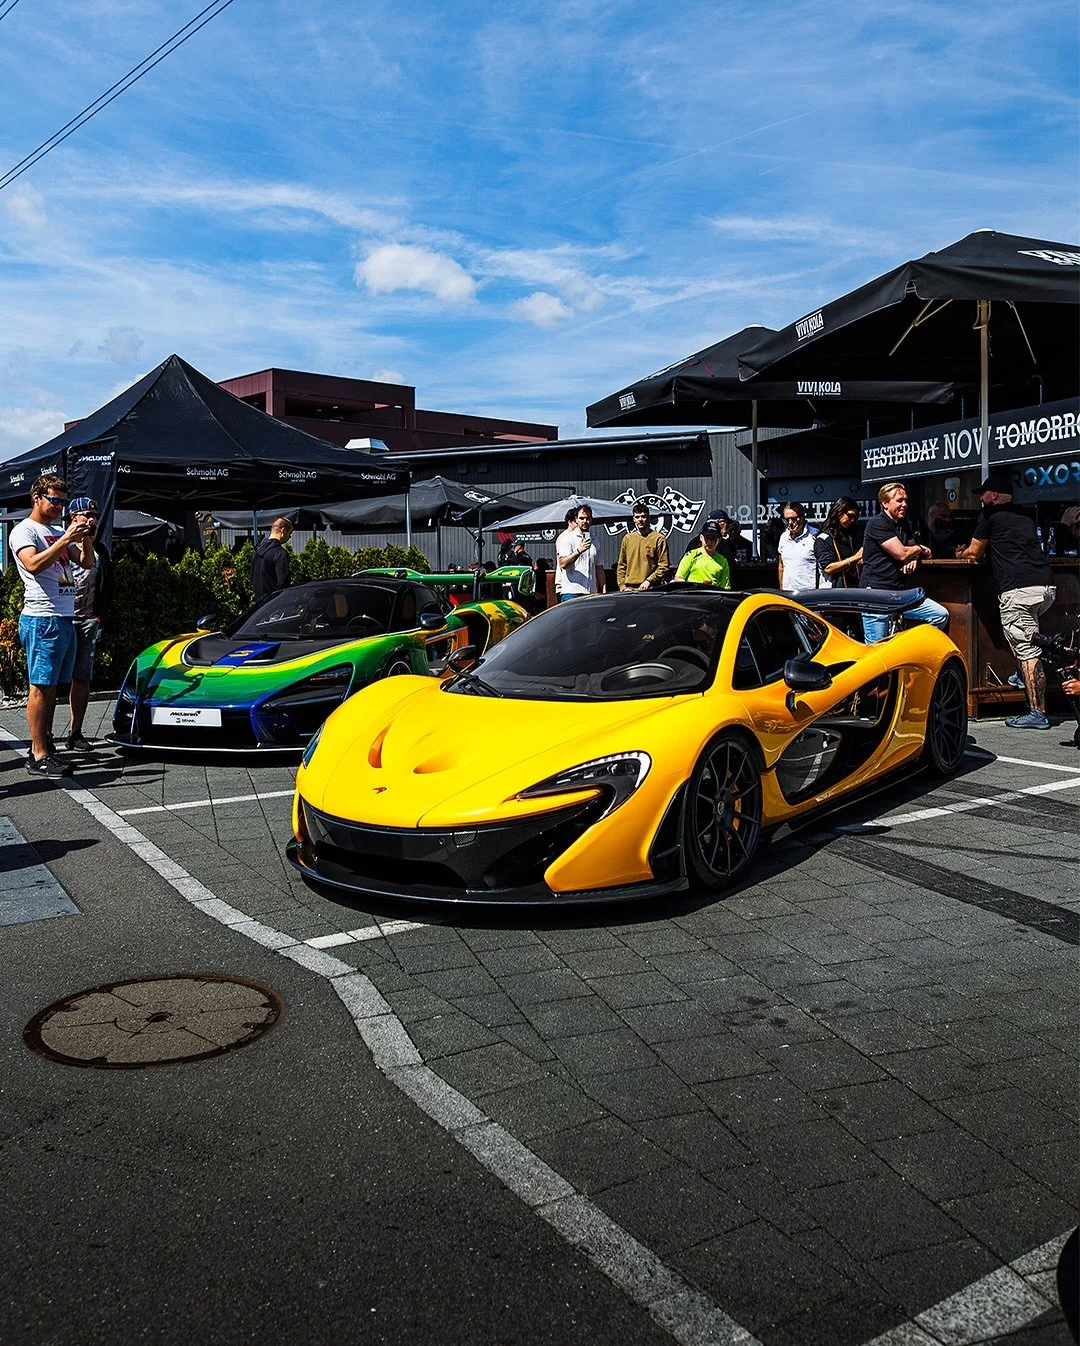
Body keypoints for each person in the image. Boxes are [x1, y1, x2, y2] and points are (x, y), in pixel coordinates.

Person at [956, 472, 1056, 730]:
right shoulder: (1024, 515)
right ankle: (1022, 677)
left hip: (1018, 590)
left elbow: (975, 552)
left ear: (995, 495)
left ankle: (1037, 712)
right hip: (1045, 586)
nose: (981, 498)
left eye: (984, 493)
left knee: (1027, 650)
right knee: (1023, 639)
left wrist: (962, 552)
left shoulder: (989, 515)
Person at [10, 475, 94, 776]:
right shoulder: (25, 531)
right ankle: (38, 754)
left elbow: (85, 563)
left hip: (64, 616)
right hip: (42, 618)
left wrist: (84, 536)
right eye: (54, 500)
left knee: (54, 687)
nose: (60, 506)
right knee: (41, 687)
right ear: (37, 498)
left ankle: (46, 744)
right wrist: (65, 538)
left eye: (63, 501)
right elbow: (32, 565)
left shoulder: (56, 530)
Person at [860, 481, 948, 643]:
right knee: (877, 652)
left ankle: (911, 649)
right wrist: (918, 550)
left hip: (898, 594)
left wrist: (914, 557)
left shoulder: (903, 524)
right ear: (885, 503)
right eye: (899, 500)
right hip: (876, 595)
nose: (904, 504)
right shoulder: (877, 523)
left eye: (906, 500)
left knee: (939, 615)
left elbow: (913, 550)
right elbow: (902, 553)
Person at [64, 497, 114, 751]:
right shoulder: (61, 546)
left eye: (95, 514)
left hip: (87, 621)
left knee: (82, 677)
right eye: (86, 514)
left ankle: (76, 732)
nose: (92, 519)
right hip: (62, 619)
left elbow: (108, 587)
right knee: (51, 681)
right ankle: (46, 734)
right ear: (73, 517)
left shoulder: (100, 550)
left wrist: (99, 616)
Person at [616, 500, 672, 591]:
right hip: (629, 589)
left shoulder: (658, 539)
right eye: (637, 517)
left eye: (643, 516)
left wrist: (649, 581)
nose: (640, 520)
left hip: (651, 589)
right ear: (633, 519)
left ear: (649, 518)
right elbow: (621, 565)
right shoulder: (627, 539)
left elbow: (664, 566)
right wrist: (622, 586)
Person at [555, 505, 604, 600]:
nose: (585, 521)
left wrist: (603, 589)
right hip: (572, 591)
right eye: (581, 518)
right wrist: (578, 551)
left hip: (591, 591)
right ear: (576, 520)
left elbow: (599, 567)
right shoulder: (567, 538)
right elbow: (563, 564)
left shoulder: (595, 539)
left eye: (587, 518)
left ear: (591, 519)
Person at [814, 497, 863, 588]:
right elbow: (827, 568)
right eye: (850, 515)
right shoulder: (824, 538)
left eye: (855, 517)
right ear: (839, 512)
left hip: (855, 590)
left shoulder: (852, 536)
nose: (852, 520)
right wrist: (854, 558)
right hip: (834, 594)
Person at [675, 521, 731, 588]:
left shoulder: (723, 561)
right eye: (707, 537)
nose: (709, 541)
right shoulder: (690, 556)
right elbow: (679, 578)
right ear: (701, 537)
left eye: (713, 538)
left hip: (713, 596)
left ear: (719, 540)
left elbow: (725, 587)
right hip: (692, 594)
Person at [777, 502, 818, 591]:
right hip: (788, 593)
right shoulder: (783, 537)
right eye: (787, 519)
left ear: (802, 518)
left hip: (810, 593)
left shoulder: (815, 536)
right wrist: (782, 589)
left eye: (794, 518)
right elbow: (781, 565)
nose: (790, 523)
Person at [252, 516, 293, 605]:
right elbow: (283, 584)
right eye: (290, 533)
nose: (290, 537)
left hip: (258, 606)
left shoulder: (256, 551)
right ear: (283, 530)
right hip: (275, 605)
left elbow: (253, 577)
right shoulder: (280, 553)